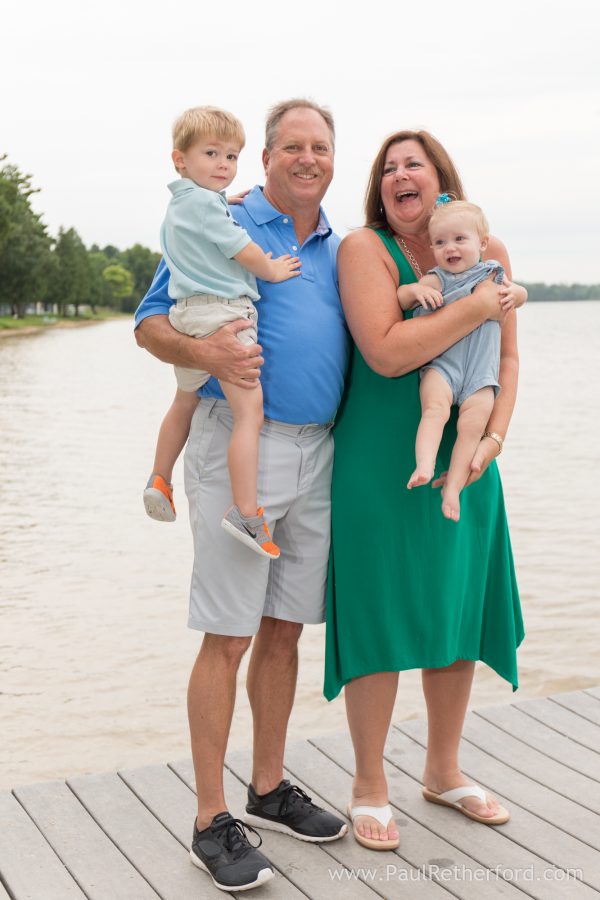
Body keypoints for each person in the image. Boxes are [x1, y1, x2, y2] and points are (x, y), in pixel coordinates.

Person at [135, 99, 349, 893]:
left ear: (333, 158)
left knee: (285, 630)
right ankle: (210, 819)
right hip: (237, 443)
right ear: (263, 158)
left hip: (320, 454)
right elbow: (150, 326)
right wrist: (205, 349)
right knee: (228, 634)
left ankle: (267, 788)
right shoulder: (217, 218)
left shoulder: (342, 246)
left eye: (319, 146)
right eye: (290, 145)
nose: (306, 157)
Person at [324, 131, 524, 851]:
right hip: (380, 455)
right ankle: (368, 784)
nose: (398, 174)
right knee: (377, 612)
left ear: (442, 181)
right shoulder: (363, 249)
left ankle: (443, 771)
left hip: (468, 453)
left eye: (414, 163)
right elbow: (385, 352)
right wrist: (477, 305)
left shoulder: (483, 241)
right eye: (388, 168)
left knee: (454, 605)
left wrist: (493, 442)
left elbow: (506, 356)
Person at [143, 105, 301, 560]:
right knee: (249, 416)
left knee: (184, 400)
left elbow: (207, 222)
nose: (224, 165)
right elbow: (237, 246)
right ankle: (247, 514)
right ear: (180, 159)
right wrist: (270, 269)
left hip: (189, 314)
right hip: (225, 316)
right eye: (211, 154)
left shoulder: (185, 203)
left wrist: (222, 201)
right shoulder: (205, 206)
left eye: (231, 157)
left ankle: (160, 478)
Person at [397, 196, 527, 520]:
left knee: (473, 425)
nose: (450, 248)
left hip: (481, 374)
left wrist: (518, 294)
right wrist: (415, 292)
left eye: (459, 239)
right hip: (443, 367)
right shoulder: (436, 278)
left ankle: (453, 487)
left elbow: (520, 294)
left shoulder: (493, 275)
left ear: (482, 243)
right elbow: (402, 295)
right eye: (440, 242)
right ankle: (425, 463)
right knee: (434, 409)